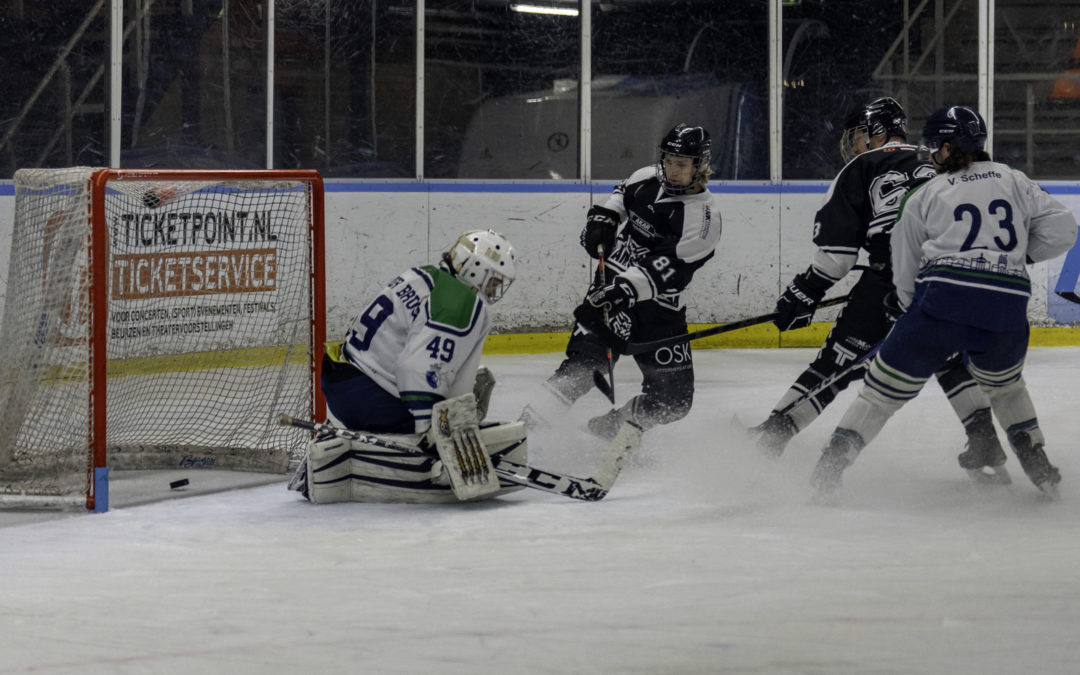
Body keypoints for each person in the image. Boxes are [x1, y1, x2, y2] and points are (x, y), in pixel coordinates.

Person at [809, 105, 1078, 497]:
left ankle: (829, 468)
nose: (930, 154)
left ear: (948, 147)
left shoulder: (927, 193)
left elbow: (904, 263)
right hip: (1006, 305)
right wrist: (1012, 258)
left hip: (944, 301)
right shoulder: (1014, 179)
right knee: (1006, 388)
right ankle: (1038, 463)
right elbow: (1064, 231)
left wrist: (903, 305)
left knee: (881, 390)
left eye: (934, 146)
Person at [750, 97, 1009, 483]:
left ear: (877, 132)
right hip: (956, 275)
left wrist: (804, 292)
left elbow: (837, 257)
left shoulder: (862, 166)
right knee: (950, 356)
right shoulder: (944, 159)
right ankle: (984, 438)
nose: (853, 146)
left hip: (892, 277)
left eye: (857, 136)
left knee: (838, 360)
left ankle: (776, 433)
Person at [543, 122, 722, 438]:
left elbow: (664, 268)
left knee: (674, 401)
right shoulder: (646, 178)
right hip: (611, 294)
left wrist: (625, 287)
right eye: (667, 160)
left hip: (659, 312)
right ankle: (528, 427)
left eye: (681, 164)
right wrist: (604, 219)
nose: (671, 169)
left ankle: (613, 426)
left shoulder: (703, 221)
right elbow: (619, 197)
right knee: (584, 367)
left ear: (700, 166)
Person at [322, 229, 516, 434]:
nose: (494, 291)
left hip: (339, 379)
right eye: (494, 282)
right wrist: (431, 431)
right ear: (476, 269)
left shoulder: (423, 274)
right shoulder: (459, 301)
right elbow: (416, 370)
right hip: (370, 399)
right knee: (444, 431)